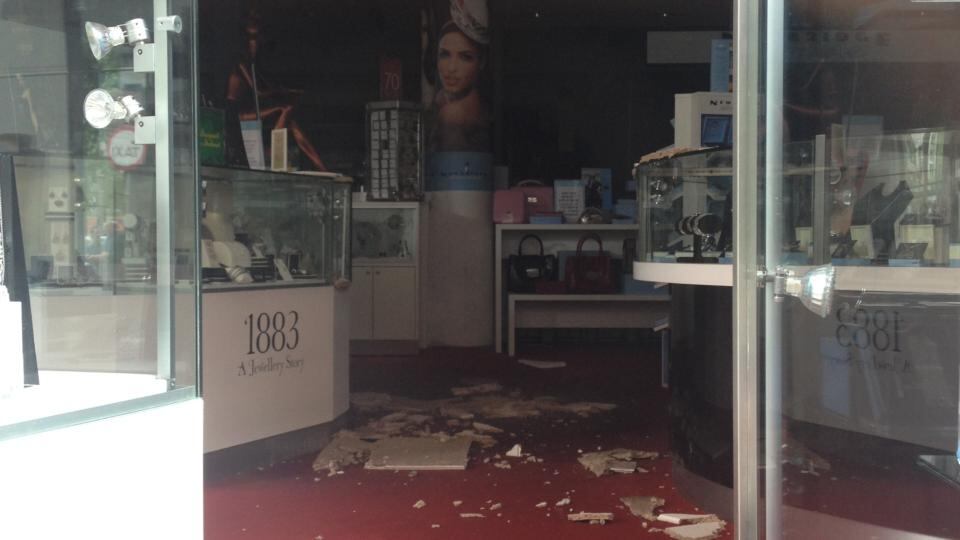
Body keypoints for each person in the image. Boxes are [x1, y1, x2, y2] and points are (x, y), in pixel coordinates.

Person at [225, 13, 327, 171]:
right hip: (236, 113)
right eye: (251, 38)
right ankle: (276, 158)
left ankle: (320, 166)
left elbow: (267, 87)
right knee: (284, 109)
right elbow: (258, 92)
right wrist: (281, 91)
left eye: (256, 38)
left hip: (248, 111)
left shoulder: (254, 66)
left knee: (290, 119)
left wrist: (288, 91)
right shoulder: (241, 62)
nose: (254, 43)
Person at [430, 20, 490, 152]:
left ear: (481, 62)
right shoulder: (477, 103)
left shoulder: (453, 113)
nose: (451, 68)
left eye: (465, 57)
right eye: (445, 55)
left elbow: (454, 167)